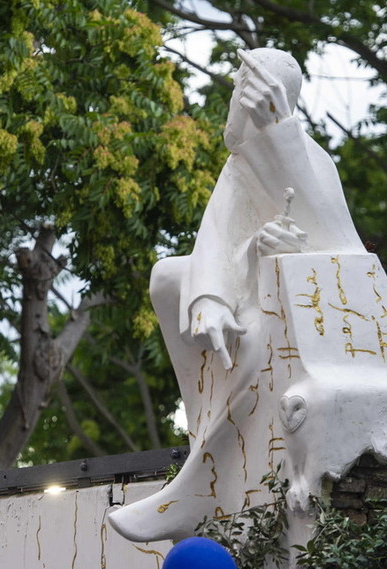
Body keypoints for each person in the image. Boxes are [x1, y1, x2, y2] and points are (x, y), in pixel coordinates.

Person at [108, 47, 366, 542]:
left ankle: (196, 490)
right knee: (169, 278)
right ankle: (201, 452)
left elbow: (340, 250)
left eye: (242, 94)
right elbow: (218, 238)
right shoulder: (239, 163)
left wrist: (289, 243)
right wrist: (217, 293)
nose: (236, 105)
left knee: (253, 339)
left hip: (309, 310)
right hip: (257, 291)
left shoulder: (311, 159)